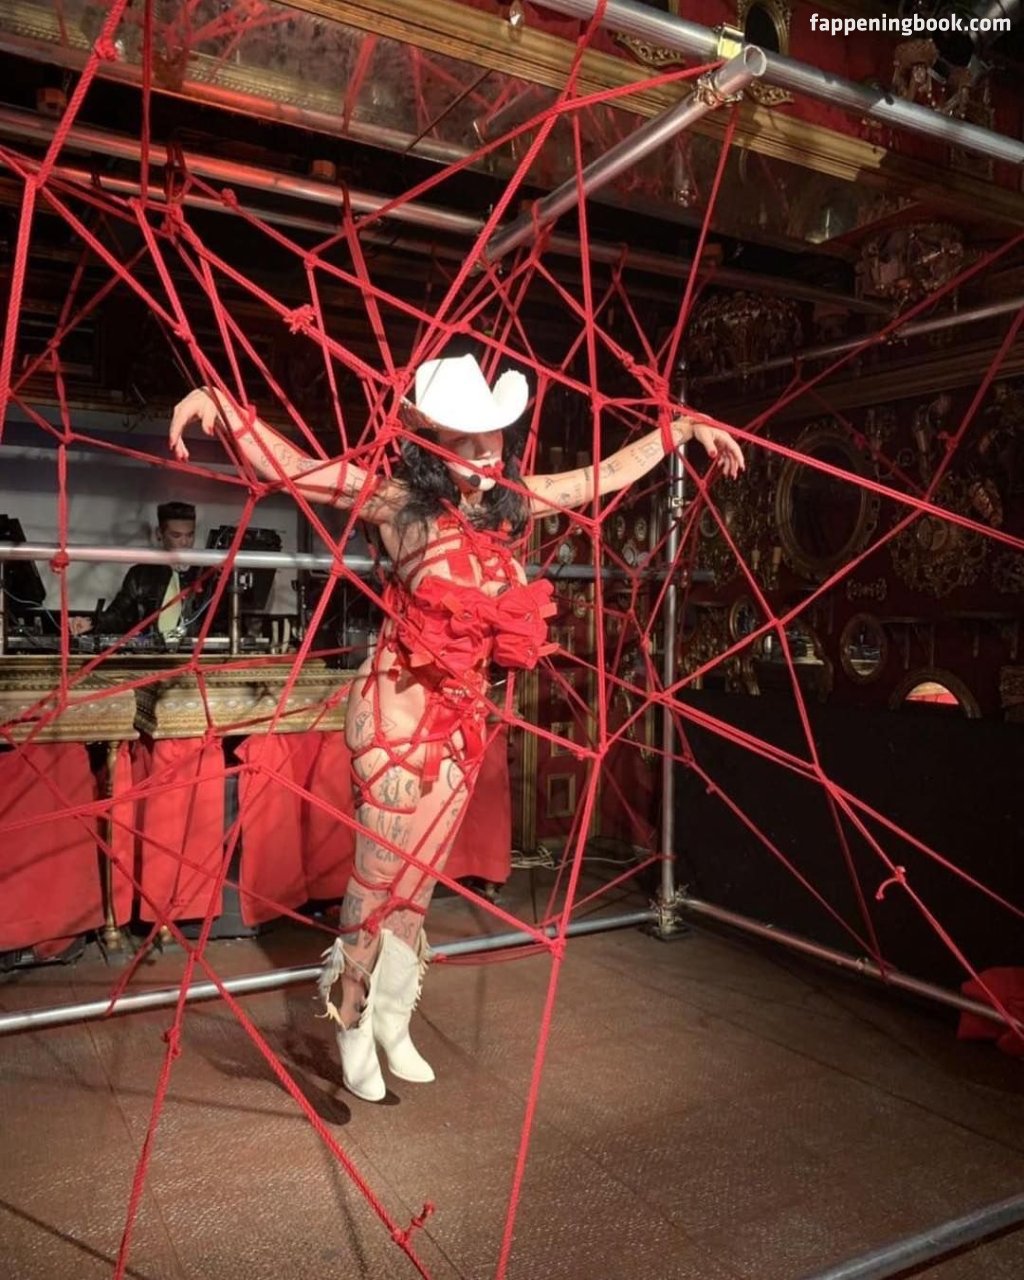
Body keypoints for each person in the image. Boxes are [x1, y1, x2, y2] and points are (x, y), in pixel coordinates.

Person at [169, 354, 743, 1101]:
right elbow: (303, 472)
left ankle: (393, 1019)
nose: (483, 454)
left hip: (461, 723)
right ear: (431, 443)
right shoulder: (397, 505)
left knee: (416, 887)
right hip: (396, 715)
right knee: (377, 880)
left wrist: (681, 431)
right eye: (464, 441)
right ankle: (351, 1018)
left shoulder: (510, 506)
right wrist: (219, 403)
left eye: (491, 438)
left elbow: (595, 478)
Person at [70, 501, 214, 639]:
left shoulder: (206, 574)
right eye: (176, 535)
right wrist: (91, 623)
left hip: (198, 652)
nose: (184, 542)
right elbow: (119, 615)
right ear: (159, 534)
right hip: (152, 651)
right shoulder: (140, 575)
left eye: (190, 535)